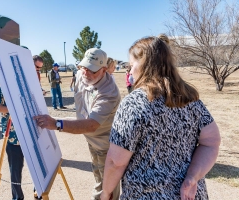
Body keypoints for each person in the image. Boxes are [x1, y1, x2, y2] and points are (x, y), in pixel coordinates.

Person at [100, 35, 221, 200]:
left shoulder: (133, 104)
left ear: (143, 65)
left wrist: (106, 192)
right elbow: (212, 141)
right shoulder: (190, 99)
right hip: (189, 195)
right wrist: (192, 177)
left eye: (131, 65)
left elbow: (116, 162)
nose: (130, 71)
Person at [34, 48, 121, 200]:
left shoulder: (109, 92)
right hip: (92, 142)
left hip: (105, 146)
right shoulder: (82, 74)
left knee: (107, 188)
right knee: (98, 176)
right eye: (84, 67)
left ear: (104, 70)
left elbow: (92, 124)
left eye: (92, 70)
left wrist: (57, 124)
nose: (85, 73)